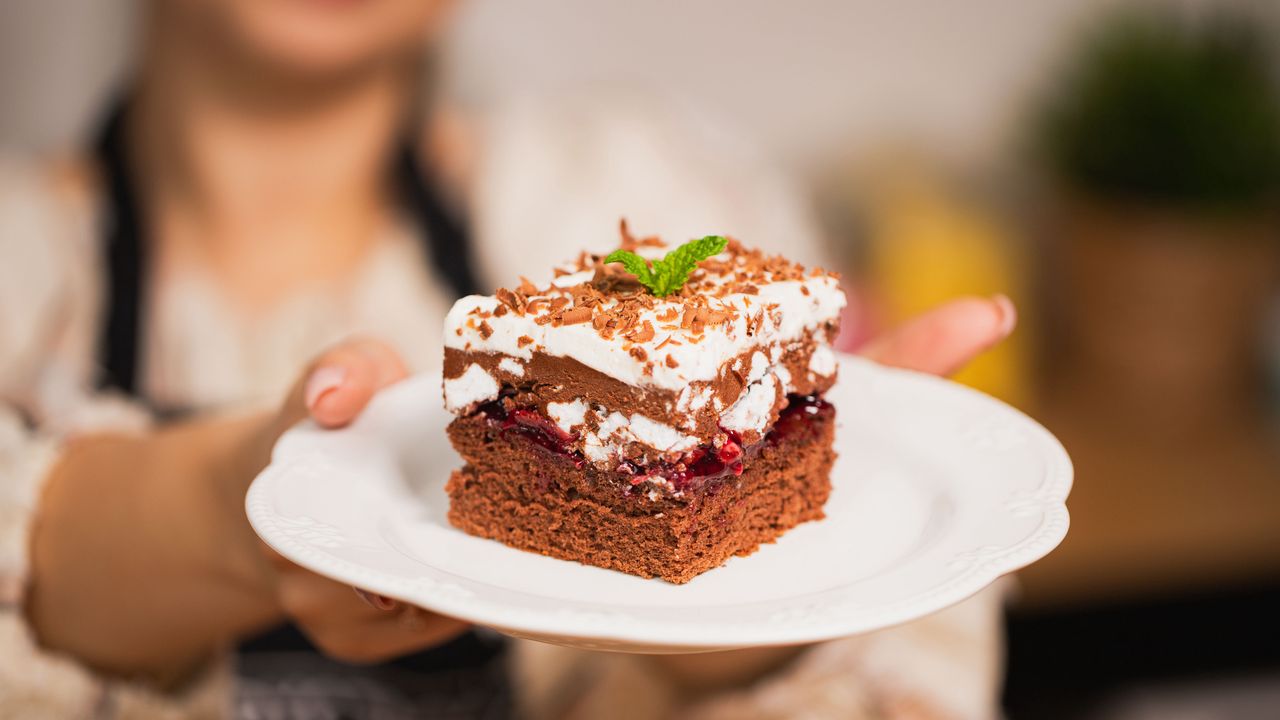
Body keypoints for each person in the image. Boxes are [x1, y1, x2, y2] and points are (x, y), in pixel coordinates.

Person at [0, 0, 1015, 717]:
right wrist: (248, 510)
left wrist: (765, 609)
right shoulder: (21, 264)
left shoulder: (631, 186)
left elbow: (900, 677)